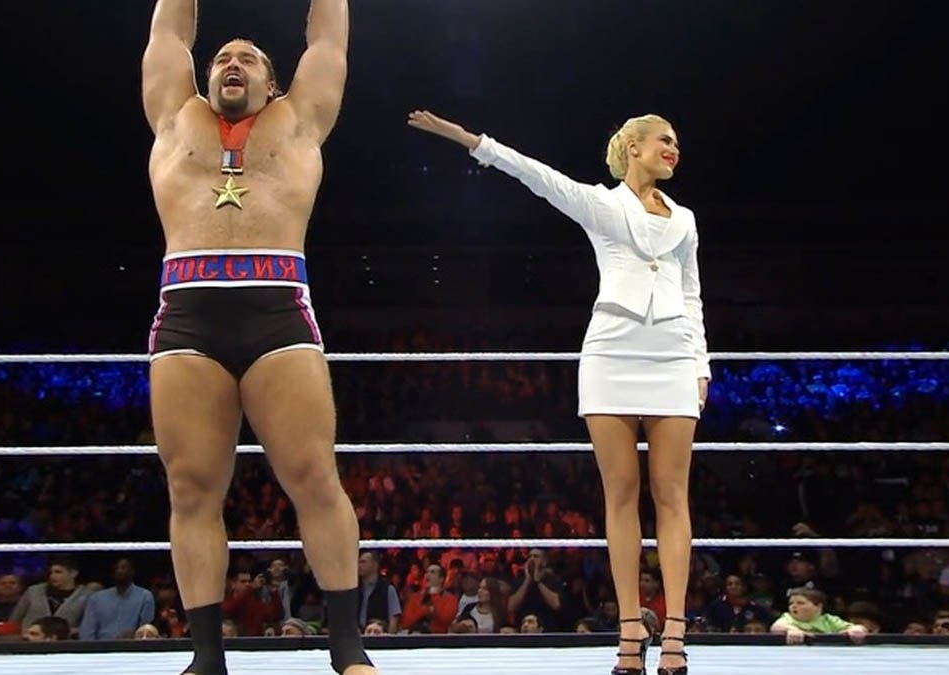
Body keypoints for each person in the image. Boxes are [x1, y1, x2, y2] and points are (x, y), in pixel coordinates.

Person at [407, 109, 711, 675]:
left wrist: (700, 365)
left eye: (677, 142)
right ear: (634, 147)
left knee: (673, 495)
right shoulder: (601, 204)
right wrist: (465, 139)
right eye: (664, 140)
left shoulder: (686, 220)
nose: (674, 149)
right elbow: (534, 173)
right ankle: (628, 629)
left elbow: (691, 294)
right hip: (612, 353)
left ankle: (674, 631)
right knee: (621, 494)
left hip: (672, 356)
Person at [142, 2, 375, 674]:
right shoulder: (174, 116)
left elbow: (328, 39)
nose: (231, 63)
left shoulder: (298, 121)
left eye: (247, 58)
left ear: (272, 83)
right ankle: (206, 658)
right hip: (187, 312)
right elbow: (169, 32)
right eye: (222, 58)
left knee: (314, 476)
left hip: (278, 309)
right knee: (191, 487)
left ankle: (347, 649)